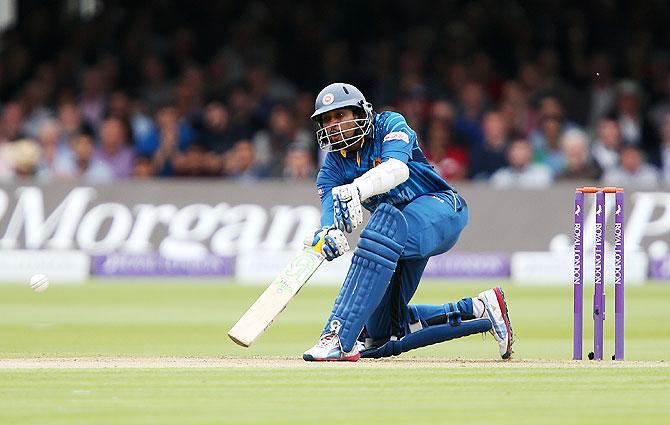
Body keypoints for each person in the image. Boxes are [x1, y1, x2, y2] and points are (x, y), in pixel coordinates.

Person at [302, 82, 513, 362]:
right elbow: (329, 213)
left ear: (359, 112)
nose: (333, 125)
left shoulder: (389, 123)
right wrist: (326, 234)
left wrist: (357, 189)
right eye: (327, 120)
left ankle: (337, 336)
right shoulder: (333, 167)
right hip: (395, 237)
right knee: (380, 336)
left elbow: (397, 169)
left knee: (382, 225)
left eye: (340, 116)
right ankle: (481, 310)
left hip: (440, 208)